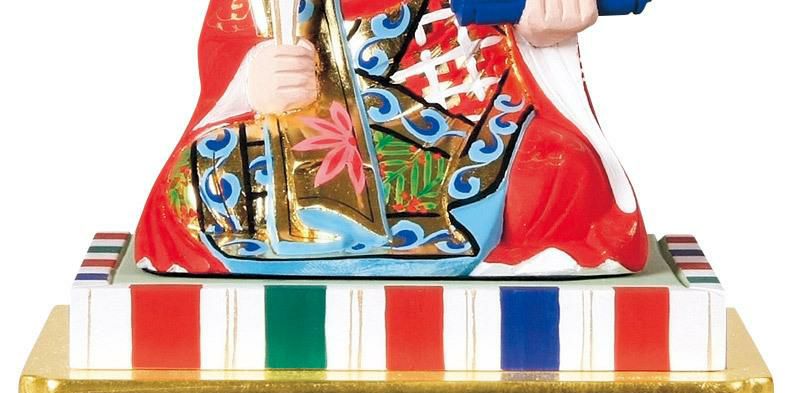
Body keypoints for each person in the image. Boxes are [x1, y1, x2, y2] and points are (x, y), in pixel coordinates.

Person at [135, 0, 649, 277]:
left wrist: (543, 26)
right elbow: (227, 42)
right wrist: (254, 77)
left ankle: (506, 248)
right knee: (190, 192)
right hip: (311, 136)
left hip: (471, 125)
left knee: (561, 172)